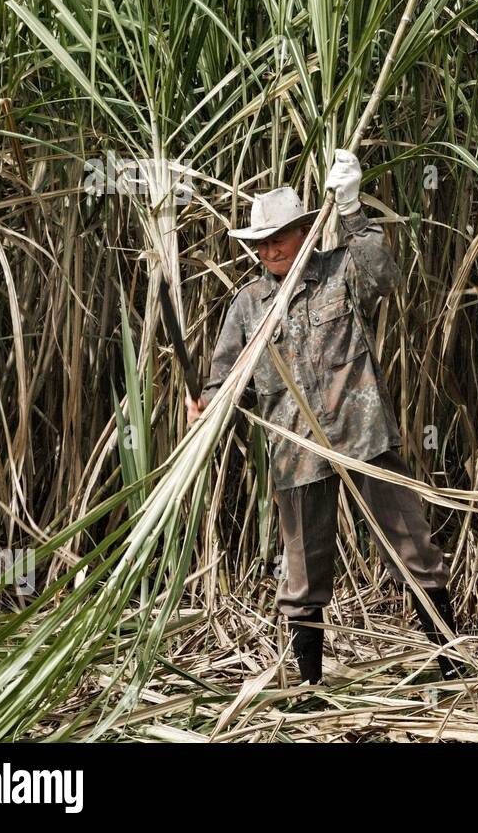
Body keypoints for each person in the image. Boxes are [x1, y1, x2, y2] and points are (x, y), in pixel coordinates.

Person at [186, 149, 461, 685]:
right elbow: (227, 377)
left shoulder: (341, 271)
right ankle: (311, 683)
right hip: (295, 452)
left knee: (411, 546)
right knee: (304, 571)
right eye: (260, 242)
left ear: (308, 229)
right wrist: (207, 404)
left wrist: (354, 208)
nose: (269, 250)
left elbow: (385, 274)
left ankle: (452, 661)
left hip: (363, 438)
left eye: (280, 237)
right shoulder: (248, 305)